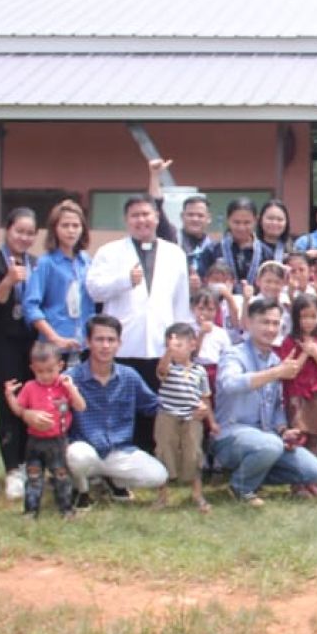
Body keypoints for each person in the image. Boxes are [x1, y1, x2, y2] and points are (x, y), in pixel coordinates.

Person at [86, 193, 192, 452]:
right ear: (126, 220)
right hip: (123, 345)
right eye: (135, 215)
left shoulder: (175, 253)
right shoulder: (109, 252)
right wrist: (124, 280)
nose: (142, 220)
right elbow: (94, 290)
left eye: (146, 214)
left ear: (156, 217)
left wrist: (182, 341)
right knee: (121, 405)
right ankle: (119, 455)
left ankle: (151, 456)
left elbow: (181, 301)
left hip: (160, 344)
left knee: (156, 404)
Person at [215, 298, 317, 506]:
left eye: (275, 323)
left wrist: (283, 430)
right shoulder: (234, 354)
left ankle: (252, 476)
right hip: (230, 437)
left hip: (266, 438)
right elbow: (229, 384)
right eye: (265, 322)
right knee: (270, 445)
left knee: (314, 470)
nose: (271, 328)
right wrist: (275, 373)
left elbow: (275, 406)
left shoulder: (274, 359)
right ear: (248, 323)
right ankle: (241, 487)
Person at [65, 315, 169, 509]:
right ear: (88, 342)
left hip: (120, 451)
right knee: (77, 456)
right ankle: (82, 490)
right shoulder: (72, 378)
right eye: (99, 339)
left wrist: (185, 404)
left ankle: (114, 481)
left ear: (119, 343)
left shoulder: (128, 376)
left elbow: (153, 406)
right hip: (86, 449)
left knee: (158, 475)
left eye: (111, 340)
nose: (105, 346)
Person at [0, 207, 38, 501]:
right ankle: (12, 470)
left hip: (30, 343)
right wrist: (9, 281)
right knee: (10, 403)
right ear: (7, 231)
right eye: (19, 231)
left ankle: (28, 465)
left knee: (33, 400)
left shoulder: (35, 263)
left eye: (29, 233)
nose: (23, 237)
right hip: (2, 343)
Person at [3, 342, 86, 519]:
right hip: (34, 441)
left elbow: (80, 406)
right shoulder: (29, 387)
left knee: (61, 476)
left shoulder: (64, 386)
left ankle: (66, 509)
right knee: (33, 477)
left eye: (50, 370)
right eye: (40, 372)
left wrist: (72, 389)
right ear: (32, 368)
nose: (45, 376)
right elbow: (18, 410)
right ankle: (30, 511)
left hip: (57, 440)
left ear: (60, 366)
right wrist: (10, 395)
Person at [154, 322, 218, 513]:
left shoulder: (200, 371)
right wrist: (168, 353)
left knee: (194, 453)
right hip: (167, 415)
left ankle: (197, 494)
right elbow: (162, 370)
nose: (175, 350)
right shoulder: (169, 367)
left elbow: (205, 397)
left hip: (192, 417)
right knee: (165, 451)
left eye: (179, 345)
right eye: (170, 346)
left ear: (192, 345)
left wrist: (211, 421)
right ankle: (162, 496)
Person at [24, 200, 95, 360]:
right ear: (54, 229)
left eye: (76, 226)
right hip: (54, 346)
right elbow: (31, 306)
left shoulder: (86, 262)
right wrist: (54, 337)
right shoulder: (46, 263)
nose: (71, 231)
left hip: (83, 344)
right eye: (65, 226)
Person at [277, 293, 317, 469]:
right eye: (304, 317)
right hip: (297, 394)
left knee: (314, 437)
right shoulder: (289, 341)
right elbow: (289, 372)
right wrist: (305, 353)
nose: (309, 321)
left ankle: (312, 477)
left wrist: (316, 353)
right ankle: (298, 480)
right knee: (298, 436)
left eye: (313, 316)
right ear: (296, 317)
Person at [199, 198, 280, 289]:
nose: (241, 228)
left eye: (247, 223)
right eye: (236, 222)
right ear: (228, 220)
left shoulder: (266, 252)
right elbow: (203, 282)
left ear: (256, 220)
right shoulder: (213, 250)